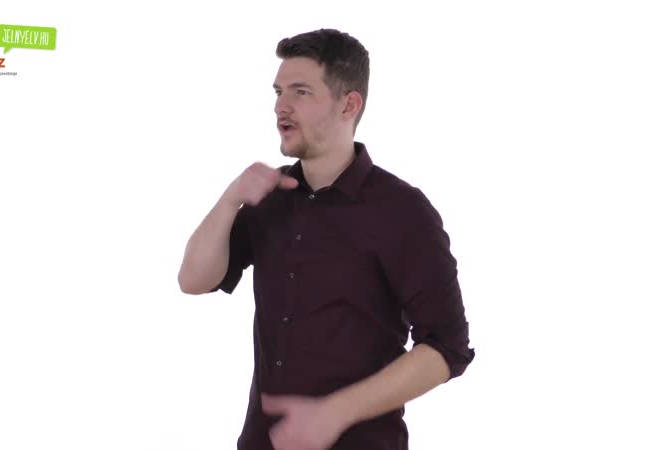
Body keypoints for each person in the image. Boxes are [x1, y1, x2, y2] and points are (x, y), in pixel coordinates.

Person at [178, 28, 475, 450]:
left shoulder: (403, 210)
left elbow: (448, 347)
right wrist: (230, 199)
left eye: (301, 92)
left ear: (349, 105)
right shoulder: (269, 196)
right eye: (278, 92)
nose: (281, 106)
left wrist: (336, 413)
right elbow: (193, 280)